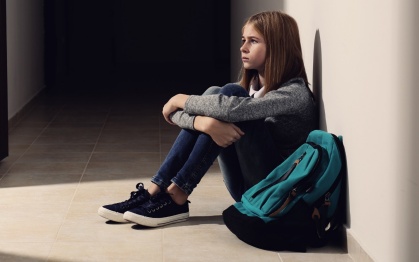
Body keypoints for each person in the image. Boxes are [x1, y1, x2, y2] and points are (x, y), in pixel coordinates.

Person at [98, 10, 318, 227]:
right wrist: (204, 123)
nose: (243, 47)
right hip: (244, 186)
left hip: (273, 192)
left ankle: (177, 195)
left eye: (253, 41)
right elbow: (218, 111)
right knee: (219, 93)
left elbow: (231, 111)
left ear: (278, 47)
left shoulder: (294, 94)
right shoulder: (252, 88)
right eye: (243, 40)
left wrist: (179, 99)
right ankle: (155, 190)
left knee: (228, 95)